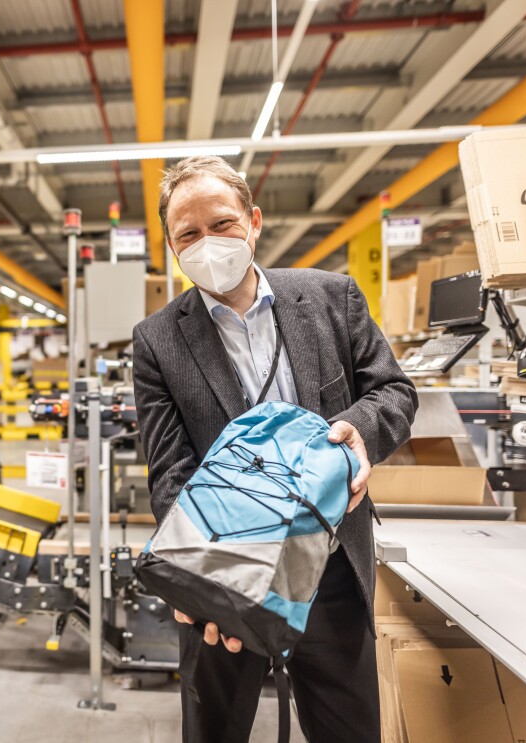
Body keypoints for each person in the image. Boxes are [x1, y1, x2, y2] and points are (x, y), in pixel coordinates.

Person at [132, 155, 418, 743]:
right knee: (214, 729)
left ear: (254, 221)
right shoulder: (157, 340)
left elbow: (393, 390)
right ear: (171, 245)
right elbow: (170, 471)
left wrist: (357, 432)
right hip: (223, 570)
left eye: (222, 224)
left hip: (331, 567)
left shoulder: (331, 298)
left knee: (349, 729)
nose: (207, 243)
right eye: (188, 234)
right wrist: (196, 572)